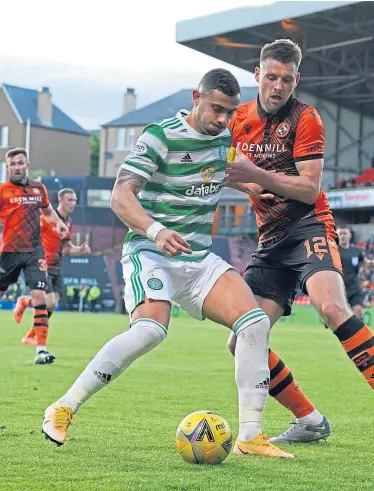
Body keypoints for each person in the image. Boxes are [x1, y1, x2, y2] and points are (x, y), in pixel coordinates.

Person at [41, 69, 293, 458]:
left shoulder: (224, 138)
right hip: (151, 252)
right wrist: (157, 231)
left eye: (229, 113)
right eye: (215, 109)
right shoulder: (159, 136)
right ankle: (63, 407)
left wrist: (263, 186)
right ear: (196, 97)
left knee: (255, 322)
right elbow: (120, 196)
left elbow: (231, 175)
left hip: (198, 258)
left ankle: (250, 436)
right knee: (149, 332)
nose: (222, 120)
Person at [224, 39, 374, 444]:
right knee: (242, 339)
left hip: (308, 225)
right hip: (270, 240)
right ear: (257, 74)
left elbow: (308, 188)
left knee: (331, 305)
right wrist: (248, 181)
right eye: (271, 77)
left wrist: (255, 176)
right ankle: (309, 420)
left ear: (297, 79)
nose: (278, 87)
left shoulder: (307, 118)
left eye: (286, 79)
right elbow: (227, 171)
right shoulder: (237, 118)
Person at [0, 148, 68, 364]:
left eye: (21, 163)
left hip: (34, 252)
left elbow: (48, 212)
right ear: (7, 167)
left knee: (40, 297)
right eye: (13, 164)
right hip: (9, 252)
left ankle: (41, 350)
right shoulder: (2, 191)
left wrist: (59, 225)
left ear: (27, 165)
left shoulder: (39, 189)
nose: (17, 167)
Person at [14, 188, 91, 343]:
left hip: (56, 266)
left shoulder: (67, 222)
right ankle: (24, 302)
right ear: (60, 200)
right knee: (48, 302)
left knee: (52, 305)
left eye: (75, 200)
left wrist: (81, 250)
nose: (73, 203)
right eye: (69, 200)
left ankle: (30, 335)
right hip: (42, 265)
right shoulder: (45, 218)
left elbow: (67, 248)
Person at [336, 226, 374, 320]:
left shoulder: (356, 251)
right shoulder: (333, 251)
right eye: (340, 234)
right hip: (338, 288)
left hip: (354, 287)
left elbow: (364, 263)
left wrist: (371, 264)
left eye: (345, 233)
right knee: (339, 317)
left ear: (349, 235)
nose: (343, 236)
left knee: (358, 310)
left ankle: (357, 333)